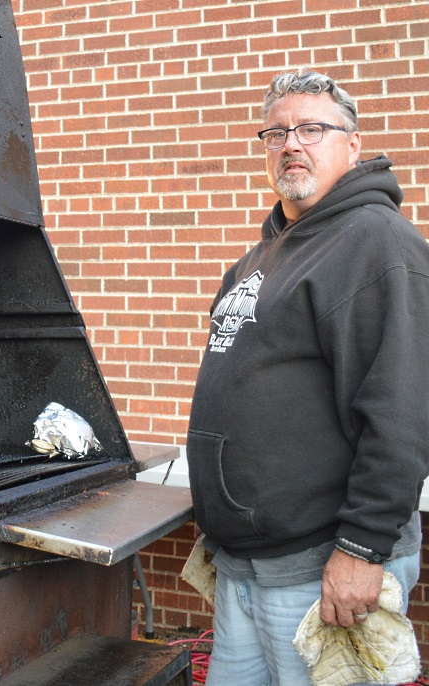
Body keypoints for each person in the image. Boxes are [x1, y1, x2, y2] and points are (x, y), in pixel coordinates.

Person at [186, 69, 429, 684]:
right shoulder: (259, 259)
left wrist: (362, 549)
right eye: (276, 133)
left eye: (312, 129)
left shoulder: (378, 244)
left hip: (323, 567)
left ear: (353, 144)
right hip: (245, 562)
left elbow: (403, 410)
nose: (291, 144)